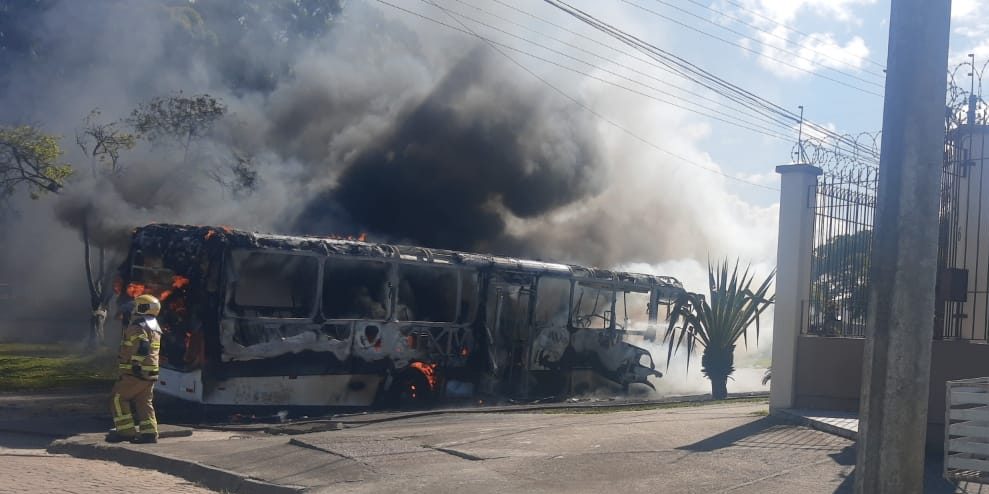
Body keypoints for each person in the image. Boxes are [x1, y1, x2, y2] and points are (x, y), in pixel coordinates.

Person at [105, 294, 162, 444]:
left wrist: (136, 364)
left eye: (137, 305)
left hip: (136, 372)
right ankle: (150, 434)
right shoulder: (155, 326)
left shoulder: (137, 326)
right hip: (151, 372)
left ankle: (125, 432)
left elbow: (142, 347)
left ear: (142, 307)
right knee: (144, 401)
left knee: (118, 398)